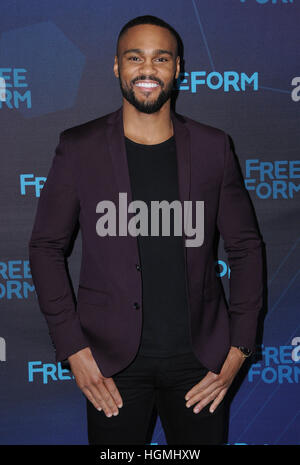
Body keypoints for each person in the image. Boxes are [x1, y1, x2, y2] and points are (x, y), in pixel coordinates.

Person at [28, 15, 264, 445]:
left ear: (178, 68)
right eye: (135, 58)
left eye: (161, 58)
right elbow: (46, 247)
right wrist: (73, 349)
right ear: (117, 67)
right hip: (110, 367)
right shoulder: (78, 147)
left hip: (200, 362)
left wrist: (238, 351)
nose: (148, 70)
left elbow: (246, 248)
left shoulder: (213, 147)